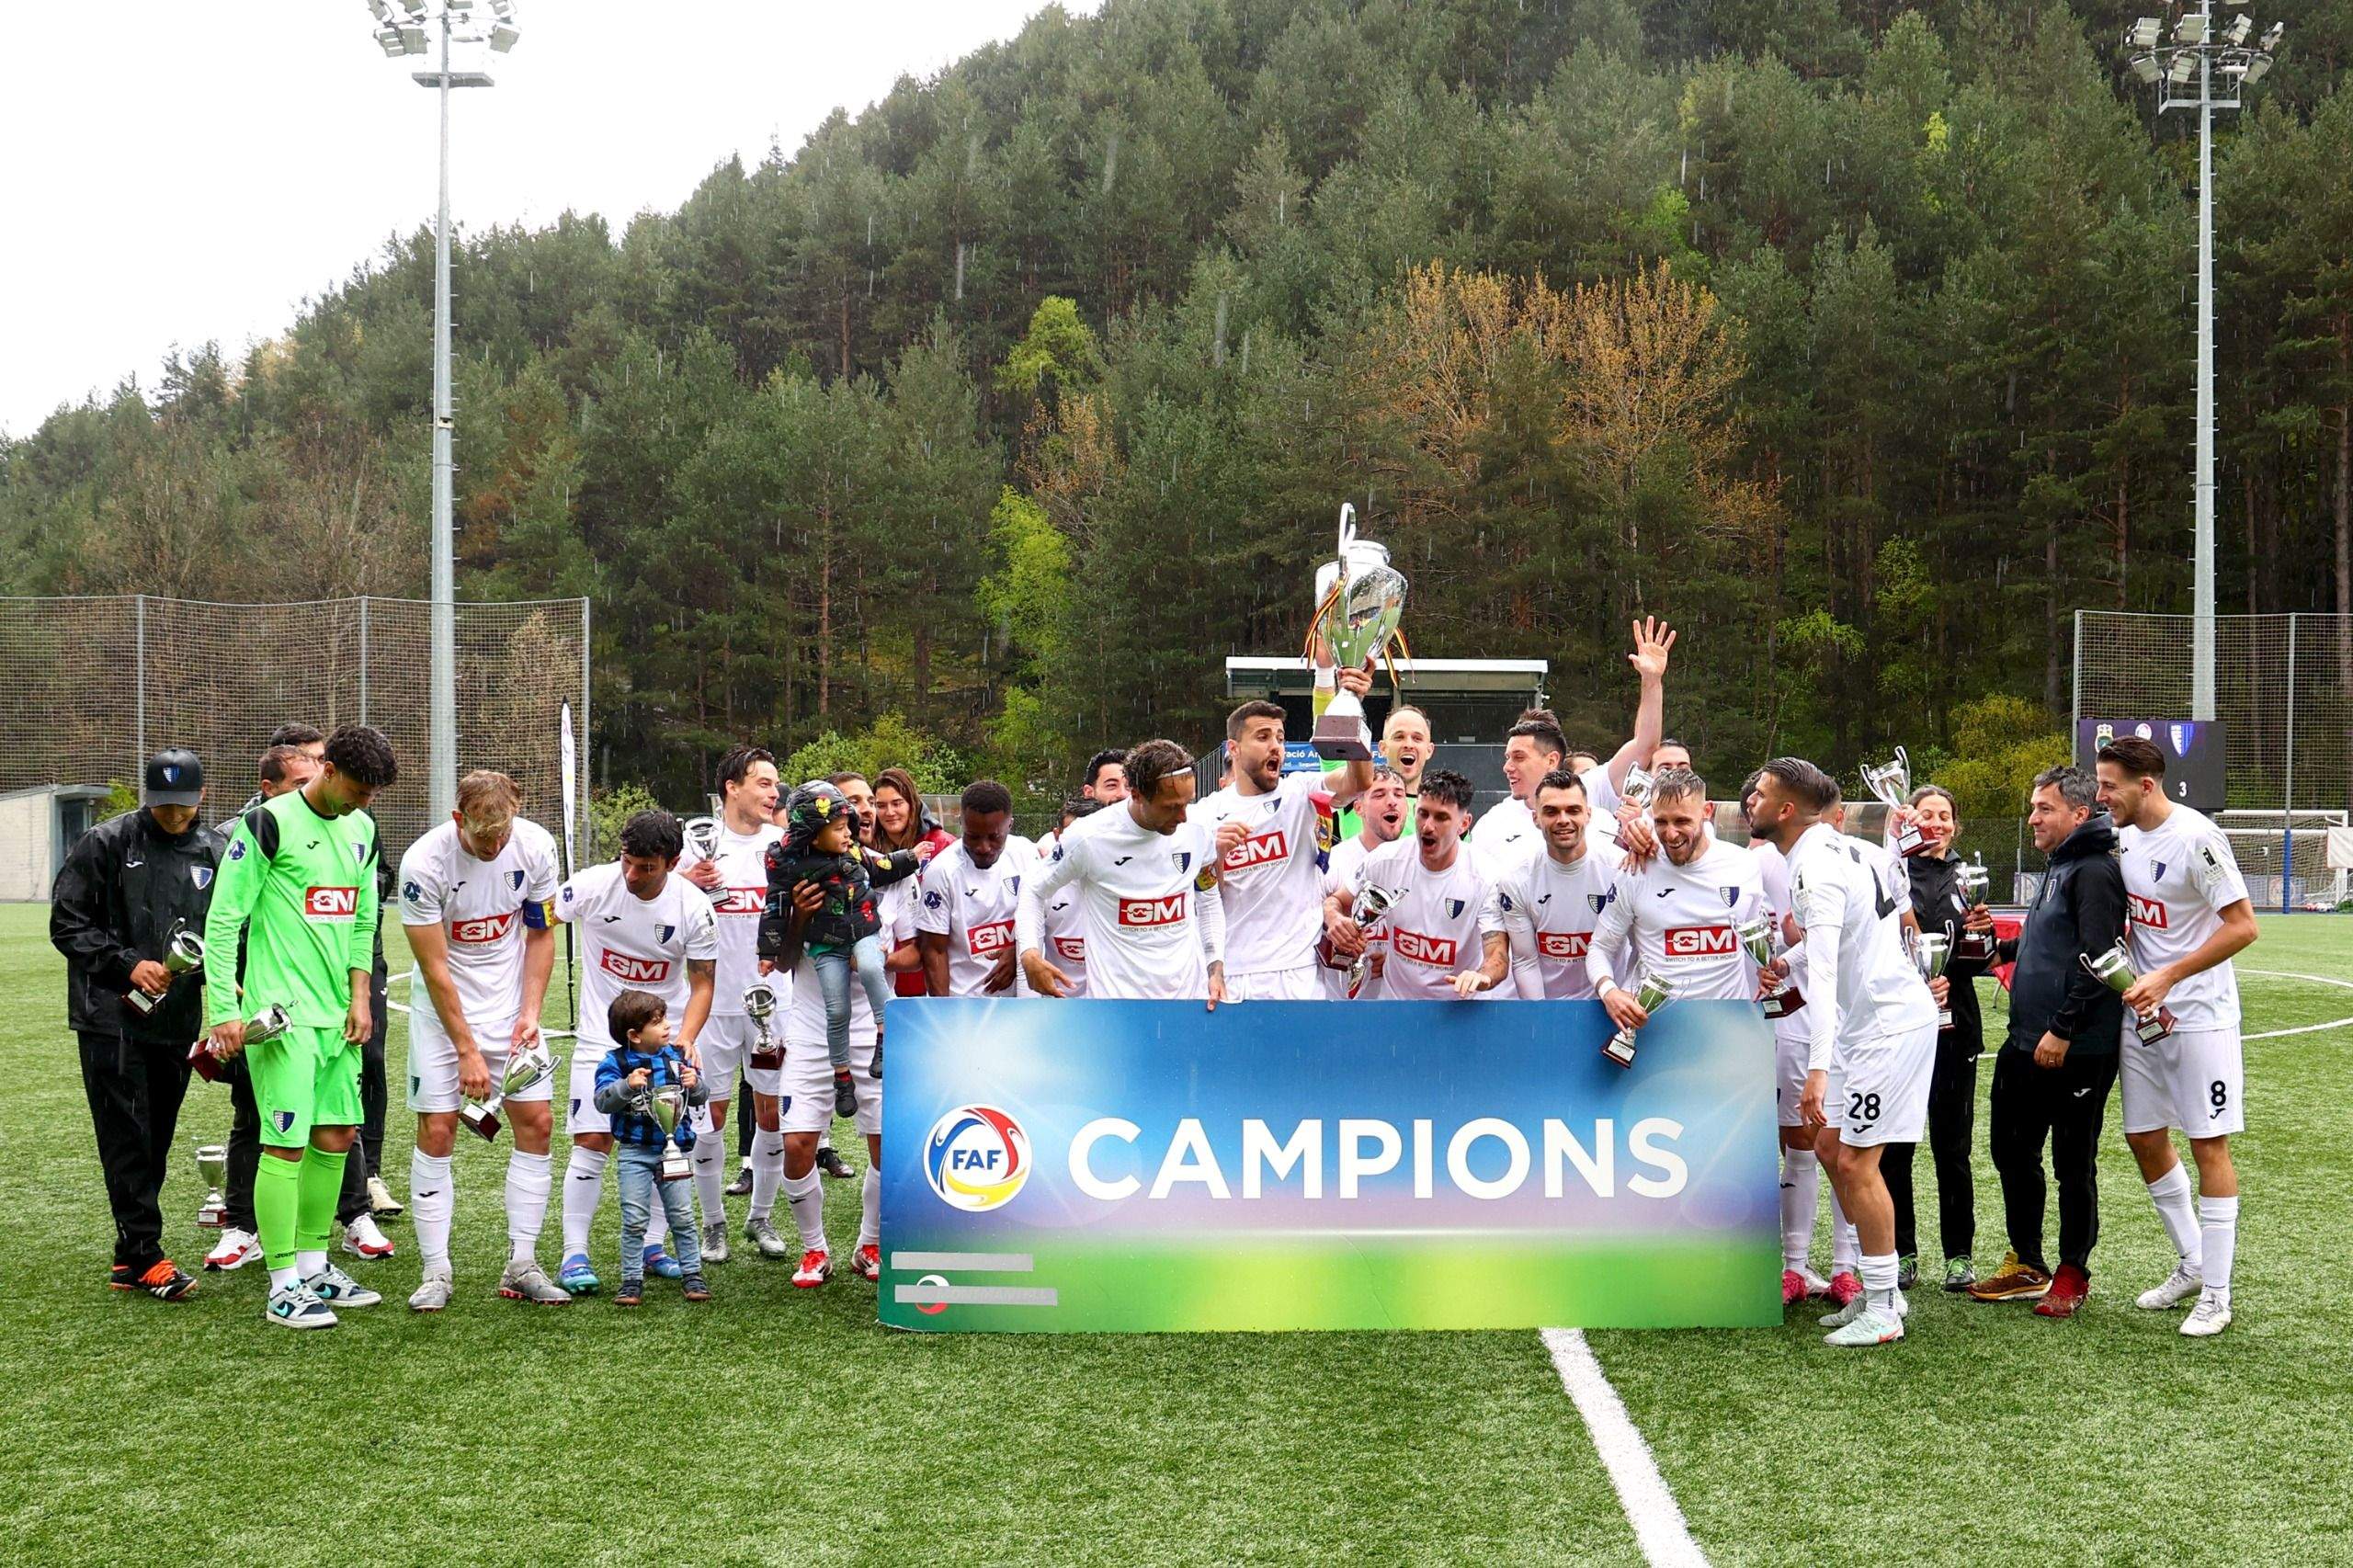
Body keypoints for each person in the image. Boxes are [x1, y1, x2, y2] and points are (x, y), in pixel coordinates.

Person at [200, 723, 399, 1329]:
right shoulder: (268, 823)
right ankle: (282, 1283)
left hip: (339, 1020)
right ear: (328, 770)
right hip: (283, 1019)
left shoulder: (362, 830)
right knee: (284, 1144)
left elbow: (363, 923)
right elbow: (223, 920)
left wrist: (360, 999)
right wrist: (223, 1012)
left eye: (373, 794)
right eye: (359, 789)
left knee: (336, 1137)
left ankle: (315, 1267)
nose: (366, 802)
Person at [1753, 756, 1939, 1348]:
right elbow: (1842, 938)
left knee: (1857, 1163)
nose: (1750, 801)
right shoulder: (1847, 849)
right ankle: (1881, 1289)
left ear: (1786, 810)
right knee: (1832, 1149)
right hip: (1871, 1024)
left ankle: (1883, 1305)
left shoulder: (1815, 869)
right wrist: (1789, 963)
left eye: (1760, 793)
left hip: (1884, 1028)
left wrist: (1817, 1069)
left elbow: (1829, 974)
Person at [2097, 735, 2258, 1337]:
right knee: (2143, 1136)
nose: (2102, 795)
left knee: (2208, 1145)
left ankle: (2217, 1295)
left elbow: (2243, 927)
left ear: (2146, 785)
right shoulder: (2124, 836)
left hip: (2200, 1016)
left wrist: (2169, 975)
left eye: (2110, 785)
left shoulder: (2197, 838)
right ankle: (2193, 1262)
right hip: (2143, 1016)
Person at [52, 747, 223, 1301]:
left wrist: (219, 976)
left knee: (156, 1139)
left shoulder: (215, 851)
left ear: (201, 796)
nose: (172, 814)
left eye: (182, 804)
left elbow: (229, 930)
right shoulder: (105, 843)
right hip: (110, 1016)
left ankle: (129, 1256)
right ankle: (146, 1254)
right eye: (162, 804)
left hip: (176, 1018)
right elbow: (67, 923)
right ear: (149, 798)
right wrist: (128, 964)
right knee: (127, 1137)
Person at [395, 769, 566, 1310]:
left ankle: (523, 1263)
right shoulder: (424, 865)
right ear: (458, 819)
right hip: (443, 1015)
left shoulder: (536, 846)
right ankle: (436, 1271)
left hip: (511, 1009)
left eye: (503, 833)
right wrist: (466, 1049)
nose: (494, 846)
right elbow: (434, 967)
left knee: (538, 1123)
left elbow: (540, 934)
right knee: (439, 1128)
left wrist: (530, 1013)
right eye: (483, 835)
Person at [1968, 766, 2127, 1318]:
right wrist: (2001, 950)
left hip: (2076, 1046)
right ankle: (2028, 1263)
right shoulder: (2060, 862)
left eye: (2044, 808)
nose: (2033, 818)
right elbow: (2050, 943)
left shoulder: (2095, 870)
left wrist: (2063, 1029)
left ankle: (2072, 1273)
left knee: (2072, 1164)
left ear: (2079, 814)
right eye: (2034, 807)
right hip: (2024, 1040)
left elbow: (2101, 960)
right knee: (2011, 1151)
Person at [552, 810, 718, 1297]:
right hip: (598, 1039)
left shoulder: (693, 907)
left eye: (645, 867)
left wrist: (686, 1038)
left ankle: (652, 1246)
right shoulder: (592, 886)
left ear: (672, 862)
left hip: (664, 1042)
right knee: (591, 1140)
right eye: (627, 861)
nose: (631, 874)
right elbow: (539, 916)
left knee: (669, 1141)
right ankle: (574, 1254)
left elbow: (703, 982)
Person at [764, 846, 915, 1287]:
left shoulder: (893, 877)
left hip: (874, 1030)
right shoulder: (801, 874)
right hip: (812, 1029)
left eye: (863, 814)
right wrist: (799, 917)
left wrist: (877, 958)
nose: (860, 818)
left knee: (887, 1146)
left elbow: (916, 954)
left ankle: (870, 1244)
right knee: (797, 1144)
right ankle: (814, 1249)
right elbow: (783, 961)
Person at [204, 742, 325, 1272]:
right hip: (259, 1001)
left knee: (334, 1124)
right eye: (299, 782)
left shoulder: (348, 827)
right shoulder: (247, 832)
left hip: (323, 1005)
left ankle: (341, 1225)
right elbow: (222, 917)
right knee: (254, 1115)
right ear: (268, 788)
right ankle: (243, 1226)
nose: (311, 789)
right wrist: (226, 995)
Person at [1190, 679, 1374, 1000]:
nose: (1276, 746)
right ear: (1234, 748)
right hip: (1234, 971)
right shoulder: (1204, 814)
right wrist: (1215, 855)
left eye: (1280, 737)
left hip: (1296, 973)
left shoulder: (1301, 791)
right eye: (1263, 737)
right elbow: (1206, 899)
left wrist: (1352, 707)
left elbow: (1358, 782)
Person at [1882, 784, 1994, 1295]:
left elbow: (1982, 959)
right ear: (1911, 821)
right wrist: (1915, 982)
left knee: (1953, 1147)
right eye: (1926, 814)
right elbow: (1878, 943)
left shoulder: (1968, 878)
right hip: (1898, 1024)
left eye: (1945, 815)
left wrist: (1979, 936)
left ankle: (1959, 1256)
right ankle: (1902, 1252)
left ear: (1955, 824)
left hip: (1956, 1025)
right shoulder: (1891, 872)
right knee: (1896, 1147)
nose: (1936, 823)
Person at [1017, 738, 1228, 1005]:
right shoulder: (1089, 837)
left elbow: (1208, 898)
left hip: (1188, 1001)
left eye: (1187, 803)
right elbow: (1033, 888)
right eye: (1171, 806)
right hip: (1115, 1005)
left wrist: (1215, 967)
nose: (1183, 816)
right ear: (1136, 794)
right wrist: (1029, 952)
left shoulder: (1198, 828)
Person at [676, 744, 784, 1261]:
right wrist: (684, 882)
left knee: (773, 1112)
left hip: (775, 1001)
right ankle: (713, 1223)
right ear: (732, 788)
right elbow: (649, 893)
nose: (774, 792)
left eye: (775, 784)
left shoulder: (782, 845)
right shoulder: (695, 844)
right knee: (709, 1114)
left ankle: (760, 1217)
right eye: (763, 783)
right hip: (712, 1005)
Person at [764, 780, 925, 1112]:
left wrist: (911, 857)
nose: (863, 813)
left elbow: (882, 870)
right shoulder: (792, 867)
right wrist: (774, 944)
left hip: (864, 947)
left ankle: (885, 1036)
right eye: (854, 803)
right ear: (814, 831)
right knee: (836, 1010)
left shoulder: (857, 855)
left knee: (870, 966)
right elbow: (775, 912)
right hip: (815, 996)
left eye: (869, 802)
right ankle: (842, 1076)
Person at [1738, 768, 1832, 1304]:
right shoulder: (1747, 864)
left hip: (1813, 1022)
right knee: (1763, 1141)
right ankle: (1772, 1263)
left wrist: (1793, 950)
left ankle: (1826, 1266)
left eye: (1761, 795)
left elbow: (1820, 941)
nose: (1753, 802)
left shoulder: (1825, 858)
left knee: (1822, 1142)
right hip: (1759, 1021)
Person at [1586, 769, 1768, 1037]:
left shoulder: (1743, 864)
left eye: (1682, 821)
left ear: (1706, 811)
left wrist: (1766, 969)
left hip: (1727, 1031)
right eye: (1661, 822)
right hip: (1656, 1029)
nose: (1671, 834)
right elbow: (1600, 947)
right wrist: (1608, 991)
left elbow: (1753, 934)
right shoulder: (1635, 870)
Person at [1472, 618, 1675, 857]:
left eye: (1519, 757)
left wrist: (1652, 680)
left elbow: (1645, 745)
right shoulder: (1494, 823)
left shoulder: (1590, 789)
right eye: (1508, 758)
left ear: (1551, 760)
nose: (1507, 767)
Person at [1321, 769, 1502, 1002]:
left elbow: (1497, 954)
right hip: (1396, 1006)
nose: (1427, 827)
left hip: (1458, 1007)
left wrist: (1482, 976)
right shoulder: (1386, 860)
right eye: (1423, 814)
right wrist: (1335, 919)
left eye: (1441, 817)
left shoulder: (1485, 875)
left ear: (1464, 824)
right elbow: (1335, 901)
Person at [591, 989, 710, 1305]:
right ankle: (631, 1280)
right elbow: (602, 1101)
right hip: (635, 1152)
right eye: (657, 1022)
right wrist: (625, 1086)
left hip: (675, 1150)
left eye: (665, 1018)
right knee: (634, 1219)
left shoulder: (678, 1056)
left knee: (683, 1216)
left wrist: (696, 1084)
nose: (667, 1026)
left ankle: (693, 1274)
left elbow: (700, 1097)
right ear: (635, 1035)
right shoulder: (615, 1062)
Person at [1469, 768, 1618, 1000]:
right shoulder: (1516, 879)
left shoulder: (1620, 868)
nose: (1563, 820)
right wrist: (1541, 1014)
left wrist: (1621, 999)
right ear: (1535, 819)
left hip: (1610, 1004)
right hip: (1547, 1005)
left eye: (1573, 810)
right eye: (1551, 812)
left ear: (1588, 815)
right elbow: (1525, 960)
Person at [915, 780, 1036, 998]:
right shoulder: (942, 872)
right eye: (973, 836)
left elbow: (1044, 919)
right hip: (965, 1003)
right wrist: (944, 1011)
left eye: (994, 837)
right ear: (961, 823)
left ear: (1010, 825)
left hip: (1019, 1005)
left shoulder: (1027, 855)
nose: (983, 847)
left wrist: (1018, 950)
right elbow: (934, 950)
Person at [871, 767, 953, 1001]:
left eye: (897, 803)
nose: (889, 812)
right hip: (888, 977)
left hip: (934, 974)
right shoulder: (871, 851)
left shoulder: (942, 845)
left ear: (912, 804)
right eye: (881, 805)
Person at [1037, 798, 1104, 995]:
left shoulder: (1125, 882)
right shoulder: (1041, 886)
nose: (1081, 846)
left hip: (1111, 1002)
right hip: (1062, 1004)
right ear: (1057, 836)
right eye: (1072, 837)